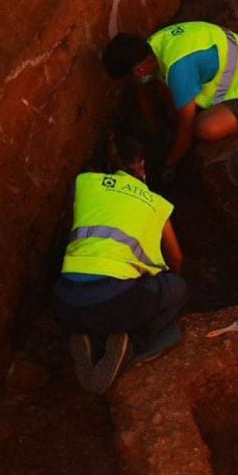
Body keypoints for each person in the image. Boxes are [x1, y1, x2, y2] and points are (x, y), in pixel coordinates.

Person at [53, 134, 187, 393]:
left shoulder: (84, 182)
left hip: (65, 300)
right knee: (177, 288)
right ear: (143, 167)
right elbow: (177, 258)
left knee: (99, 291)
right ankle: (131, 342)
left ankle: (85, 335)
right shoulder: (157, 204)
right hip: (117, 301)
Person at [102, 21, 238, 181]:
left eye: (133, 75)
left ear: (140, 70)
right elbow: (142, 90)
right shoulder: (153, 46)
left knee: (203, 128)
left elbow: (186, 130)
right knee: (172, 99)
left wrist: (169, 164)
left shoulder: (179, 69)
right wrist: (154, 130)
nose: (135, 79)